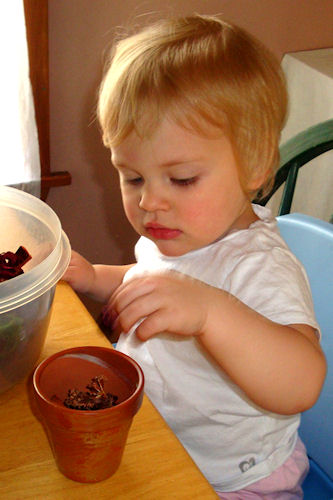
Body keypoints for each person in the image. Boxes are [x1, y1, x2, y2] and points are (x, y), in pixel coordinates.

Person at [63, 14, 326, 498]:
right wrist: (94, 276)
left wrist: (208, 312)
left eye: (181, 178)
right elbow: (146, 279)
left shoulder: (259, 265)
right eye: (133, 177)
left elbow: (301, 383)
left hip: (237, 479)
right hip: (157, 440)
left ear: (256, 164)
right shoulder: (180, 232)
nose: (149, 202)